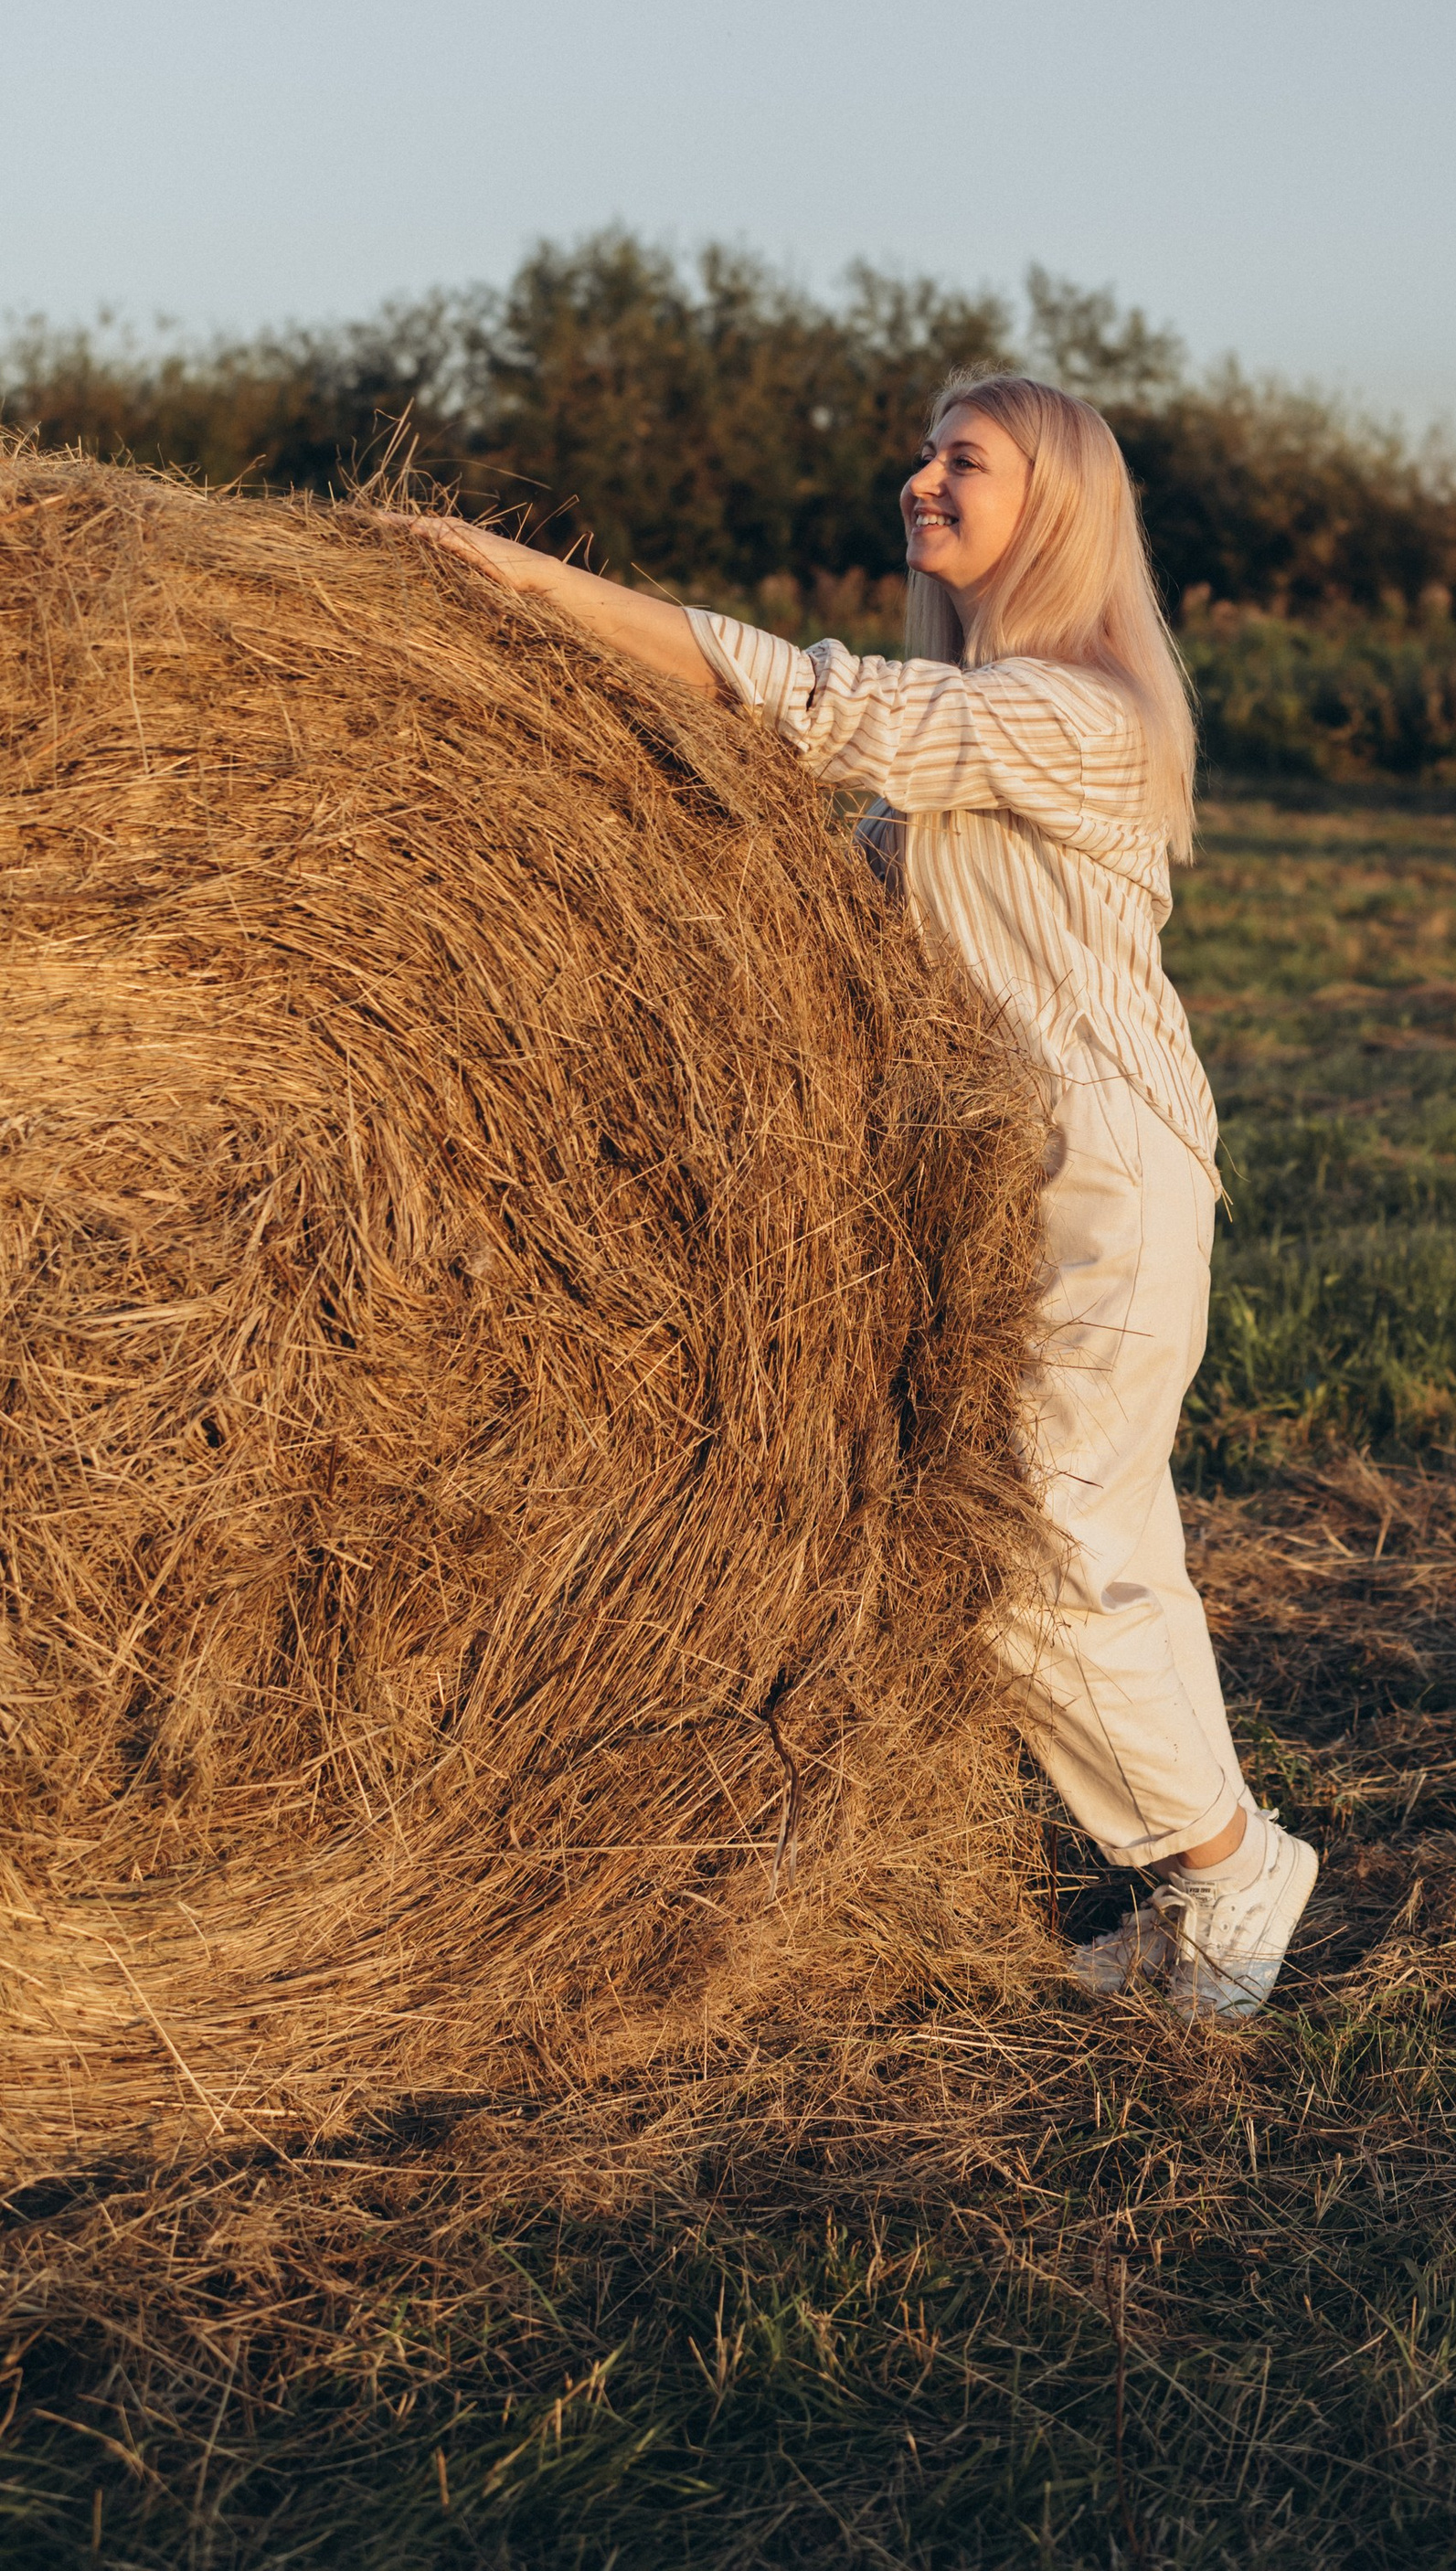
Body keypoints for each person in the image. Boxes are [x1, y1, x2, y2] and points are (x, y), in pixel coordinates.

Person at [414, 372, 1318, 2021]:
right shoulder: (976, 745)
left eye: (959, 460)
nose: (917, 480)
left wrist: (519, 583)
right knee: (1103, 1540)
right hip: (1007, 1182)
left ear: (1055, 501)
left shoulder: (1079, 711)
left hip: (1099, 1175)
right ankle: (1195, 1895)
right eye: (920, 454)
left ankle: (1228, 1865)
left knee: (1034, 1541)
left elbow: (820, 706)